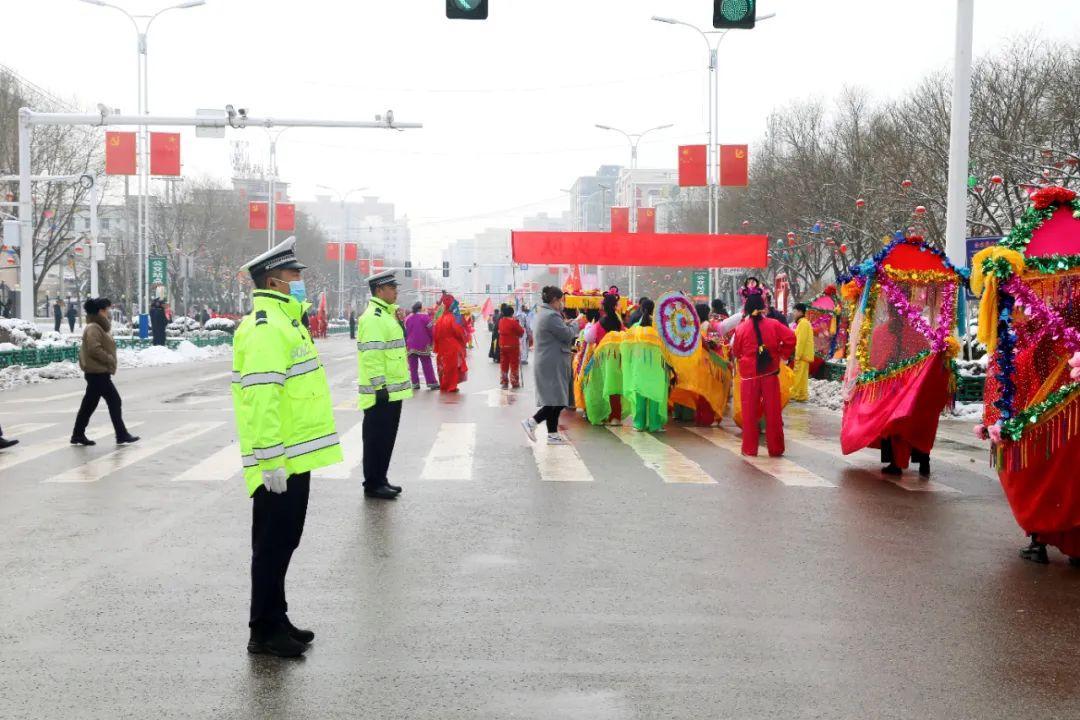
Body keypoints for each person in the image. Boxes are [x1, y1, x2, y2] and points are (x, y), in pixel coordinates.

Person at [232, 236, 343, 658]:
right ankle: (262, 630)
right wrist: (270, 460)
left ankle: (277, 617)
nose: (301, 283)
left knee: (285, 541)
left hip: (296, 456)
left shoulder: (287, 321)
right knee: (272, 544)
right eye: (295, 277)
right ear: (276, 283)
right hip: (280, 461)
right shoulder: (266, 327)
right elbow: (262, 397)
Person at [356, 271, 413, 500]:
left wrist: (400, 322)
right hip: (382, 392)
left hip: (392, 391)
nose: (395, 291)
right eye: (391, 287)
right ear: (379, 290)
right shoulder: (374, 318)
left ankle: (381, 478)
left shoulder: (387, 315)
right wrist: (379, 387)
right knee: (376, 439)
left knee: (386, 438)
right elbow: (372, 356)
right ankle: (373, 482)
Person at [731, 293, 796, 457]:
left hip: (749, 376)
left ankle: (749, 448)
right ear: (763, 307)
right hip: (769, 373)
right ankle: (776, 448)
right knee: (773, 412)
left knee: (749, 414)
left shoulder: (741, 328)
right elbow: (790, 338)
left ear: (746, 309)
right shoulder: (774, 324)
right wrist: (782, 354)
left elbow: (736, 351)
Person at [71, 297, 139, 447]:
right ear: (100, 311)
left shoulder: (98, 327)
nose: (108, 312)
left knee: (89, 404)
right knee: (114, 400)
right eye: (106, 309)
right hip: (97, 372)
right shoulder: (94, 327)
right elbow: (93, 348)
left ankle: (77, 434)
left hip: (98, 371)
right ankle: (121, 434)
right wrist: (108, 358)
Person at [521, 286, 577, 445]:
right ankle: (531, 422)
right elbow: (567, 335)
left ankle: (552, 435)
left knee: (554, 399)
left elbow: (558, 330)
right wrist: (576, 325)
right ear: (554, 300)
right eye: (561, 300)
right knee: (557, 400)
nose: (562, 304)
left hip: (549, 361)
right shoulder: (551, 316)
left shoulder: (544, 313)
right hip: (552, 362)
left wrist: (565, 323)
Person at [623, 298, 669, 433]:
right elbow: (665, 348)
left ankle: (639, 424)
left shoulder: (635, 328)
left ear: (641, 309)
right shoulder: (659, 328)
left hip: (638, 365)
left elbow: (626, 345)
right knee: (655, 395)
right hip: (656, 367)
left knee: (640, 395)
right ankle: (655, 424)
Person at [433, 294, 468, 393]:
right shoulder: (453, 319)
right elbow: (459, 333)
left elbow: (436, 335)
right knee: (451, 368)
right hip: (452, 346)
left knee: (443, 366)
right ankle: (451, 386)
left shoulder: (439, 319)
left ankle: (444, 385)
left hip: (442, 347)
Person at [405, 301, 439, 390]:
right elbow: (431, 330)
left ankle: (415, 383)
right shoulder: (425, 317)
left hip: (411, 344)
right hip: (423, 344)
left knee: (413, 366)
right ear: (420, 308)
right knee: (427, 363)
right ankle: (431, 382)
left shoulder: (408, 318)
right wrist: (432, 341)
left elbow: (407, 331)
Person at [498, 303, 525, 389]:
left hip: (502, 345)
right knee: (514, 364)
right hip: (513, 346)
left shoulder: (501, 321)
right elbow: (521, 331)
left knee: (504, 364)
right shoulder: (513, 322)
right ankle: (514, 382)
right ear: (511, 313)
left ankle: (504, 381)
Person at [791, 303, 813, 402]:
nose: (793, 314)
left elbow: (801, 341)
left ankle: (794, 394)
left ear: (800, 312)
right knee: (802, 378)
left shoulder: (803, 324)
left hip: (802, 355)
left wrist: (797, 355)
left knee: (798, 376)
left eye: (794, 311)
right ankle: (801, 395)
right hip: (805, 356)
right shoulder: (804, 323)